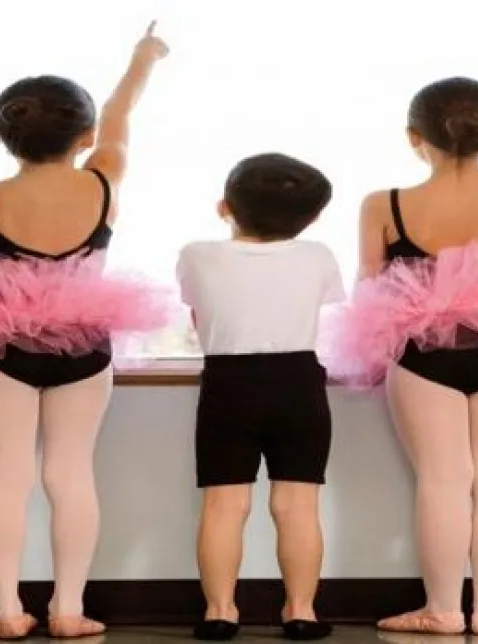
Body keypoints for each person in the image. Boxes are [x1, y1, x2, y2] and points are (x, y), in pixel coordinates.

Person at [0, 21, 170, 640]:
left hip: (4, 346)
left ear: (1, 134)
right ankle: (68, 609)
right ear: (85, 136)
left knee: (5, 476)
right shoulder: (103, 182)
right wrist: (143, 57)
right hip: (84, 345)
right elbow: (121, 115)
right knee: (71, 474)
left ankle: (5, 611)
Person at [326, 77, 478, 636]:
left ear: (414, 137)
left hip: (421, 352)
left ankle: (441, 608)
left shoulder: (385, 204)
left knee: (441, 480)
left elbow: (369, 286)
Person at [177, 153, 344, 641]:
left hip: (228, 381)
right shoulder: (318, 256)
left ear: (224, 206)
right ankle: (302, 611)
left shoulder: (196, 255)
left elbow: (198, 317)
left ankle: (220, 612)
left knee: (224, 505)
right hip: (299, 381)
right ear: (311, 217)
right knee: (298, 505)